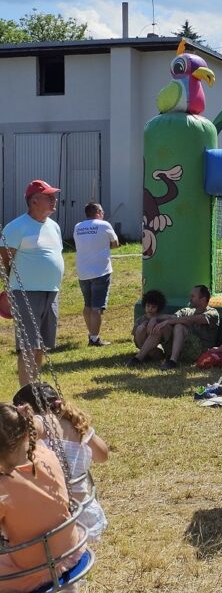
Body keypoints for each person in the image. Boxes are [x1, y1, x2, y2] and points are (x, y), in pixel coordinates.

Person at [0, 402, 87, 593]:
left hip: (32, 570)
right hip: (70, 551)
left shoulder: (3, 488)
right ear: (25, 433)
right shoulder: (47, 455)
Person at [12, 382, 109, 543]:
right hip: (85, 512)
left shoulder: (41, 422)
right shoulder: (76, 424)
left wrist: (21, 423)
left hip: (56, 519)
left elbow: (17, 442)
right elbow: (103, 455)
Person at [1, 180, 64, 386]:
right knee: (28, 346)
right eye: (49, 196)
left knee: (40, 346)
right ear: (34, 201)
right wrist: (10, 288)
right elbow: (4, 259)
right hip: (25, 292)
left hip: (51, 292)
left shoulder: (54, 226)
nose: (54, 200)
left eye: (54, 196)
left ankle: (34, 388)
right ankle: (26, 394)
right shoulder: (16, 227)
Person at [136, 285, 220, 370]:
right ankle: (138, 358)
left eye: (193, 296)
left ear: (203, 299)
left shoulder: (212, 313)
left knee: (179, 326)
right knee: (162, 327)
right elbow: (172, 317)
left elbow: (194, 319)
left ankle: (172, 361)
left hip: (199, 351)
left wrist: (168, 321)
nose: (190, 298)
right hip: (183, 349)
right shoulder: (187, 311)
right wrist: (155, 318)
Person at [72, 202, 119, 347]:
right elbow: (115, 243)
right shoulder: (104, 225)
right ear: (98, 212)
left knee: (88, 305)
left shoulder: (78, 226)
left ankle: (92, 334)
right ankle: (94, 338)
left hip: (83, 271)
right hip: (101, 271)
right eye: (102, 211)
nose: (103, 214)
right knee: (97, 307)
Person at [127, 289, 170, 366]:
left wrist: (155, 319)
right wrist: (144, 325)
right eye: (148, 306)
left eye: (153, 307)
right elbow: (136, 339)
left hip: (158, 350)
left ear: (158, 308)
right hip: (144, 346)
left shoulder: (161, 318)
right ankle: (144, 354)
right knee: (140, 328)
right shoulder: (140, 320)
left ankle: (140, 357)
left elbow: (174, 317)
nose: (150, 309)